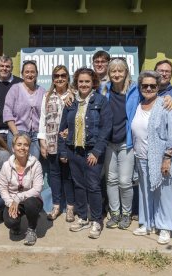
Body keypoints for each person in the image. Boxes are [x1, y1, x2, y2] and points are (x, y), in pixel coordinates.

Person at [58, 67, 112, 239]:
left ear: (93, 82)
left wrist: (96, 152)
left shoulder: (101, 101)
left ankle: (96, 220)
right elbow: (63, 128)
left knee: (93, 186)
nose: (84, 84)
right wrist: (63, 150)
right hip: (74, 151)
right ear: (76, 83)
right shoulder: (71, 102)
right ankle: (83, 217)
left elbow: (106, 128)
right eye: (80, 81)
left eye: (87, 81)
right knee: (79, 185)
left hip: (92, 152)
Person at [131, 71, 172, 244]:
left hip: (161, 158)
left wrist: (167, 158)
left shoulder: (166, 105)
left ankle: (165, 227)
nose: (148, 88)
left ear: (158, 87)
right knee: (146, 192)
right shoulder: (139, 104)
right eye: (144, 85)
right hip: (142, 157)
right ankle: (147, 223)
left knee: (164, 194)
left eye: (152, 86)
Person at [102, 58, 141, 230]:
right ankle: (115, 213)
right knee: (111, 180)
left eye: (120, 71)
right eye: (113, 71)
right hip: (109, 143)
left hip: (127, 142)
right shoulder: (104, 90)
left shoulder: (135, 91)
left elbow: (153, 95)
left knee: (125, 181)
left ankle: (126, 214)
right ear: (109, 74)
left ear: (126, 72)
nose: (116, 74)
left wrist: (168, 97)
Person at [38, 65, 75, 222]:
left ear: (67, 78)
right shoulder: (47, 96)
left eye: (63, 75)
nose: (60, 78)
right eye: (56, 76)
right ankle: (56, 206)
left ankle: (71, 208)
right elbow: (42, 120)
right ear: (53, 78)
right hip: (51, 141)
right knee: (54, 175)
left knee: (68, 175)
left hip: (68, 143)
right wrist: (42, 142)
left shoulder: (74, 95)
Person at [0, 133, 43, 246]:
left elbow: (37, 189)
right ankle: (16, 225)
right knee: (10, 222)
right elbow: (2, 187)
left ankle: (32, 229)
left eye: (26, 145)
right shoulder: (6, 165)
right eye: (19, 144)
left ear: (29, 147)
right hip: (12, 201)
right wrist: (10, 203)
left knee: (31, 203)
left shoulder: (36, 164)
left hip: (32, 200)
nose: (22, 147)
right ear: (13, 148)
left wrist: (18, 198)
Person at [3, 60, 46, 159]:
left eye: (32, 72)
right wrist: (16, 134)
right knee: (17, 165)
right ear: (22, 74)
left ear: (36, 74)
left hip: (35, 136)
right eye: (27, 72)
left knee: (33, 164)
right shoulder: (15, 89)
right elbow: (7, 112)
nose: (30, 74)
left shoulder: (42, 91)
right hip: (17, 132)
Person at [0, 55, 23, 143]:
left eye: (7, 66)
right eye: (1, 66)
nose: (4, 68)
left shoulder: (20, 83)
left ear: (12, 68)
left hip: (14, 131)